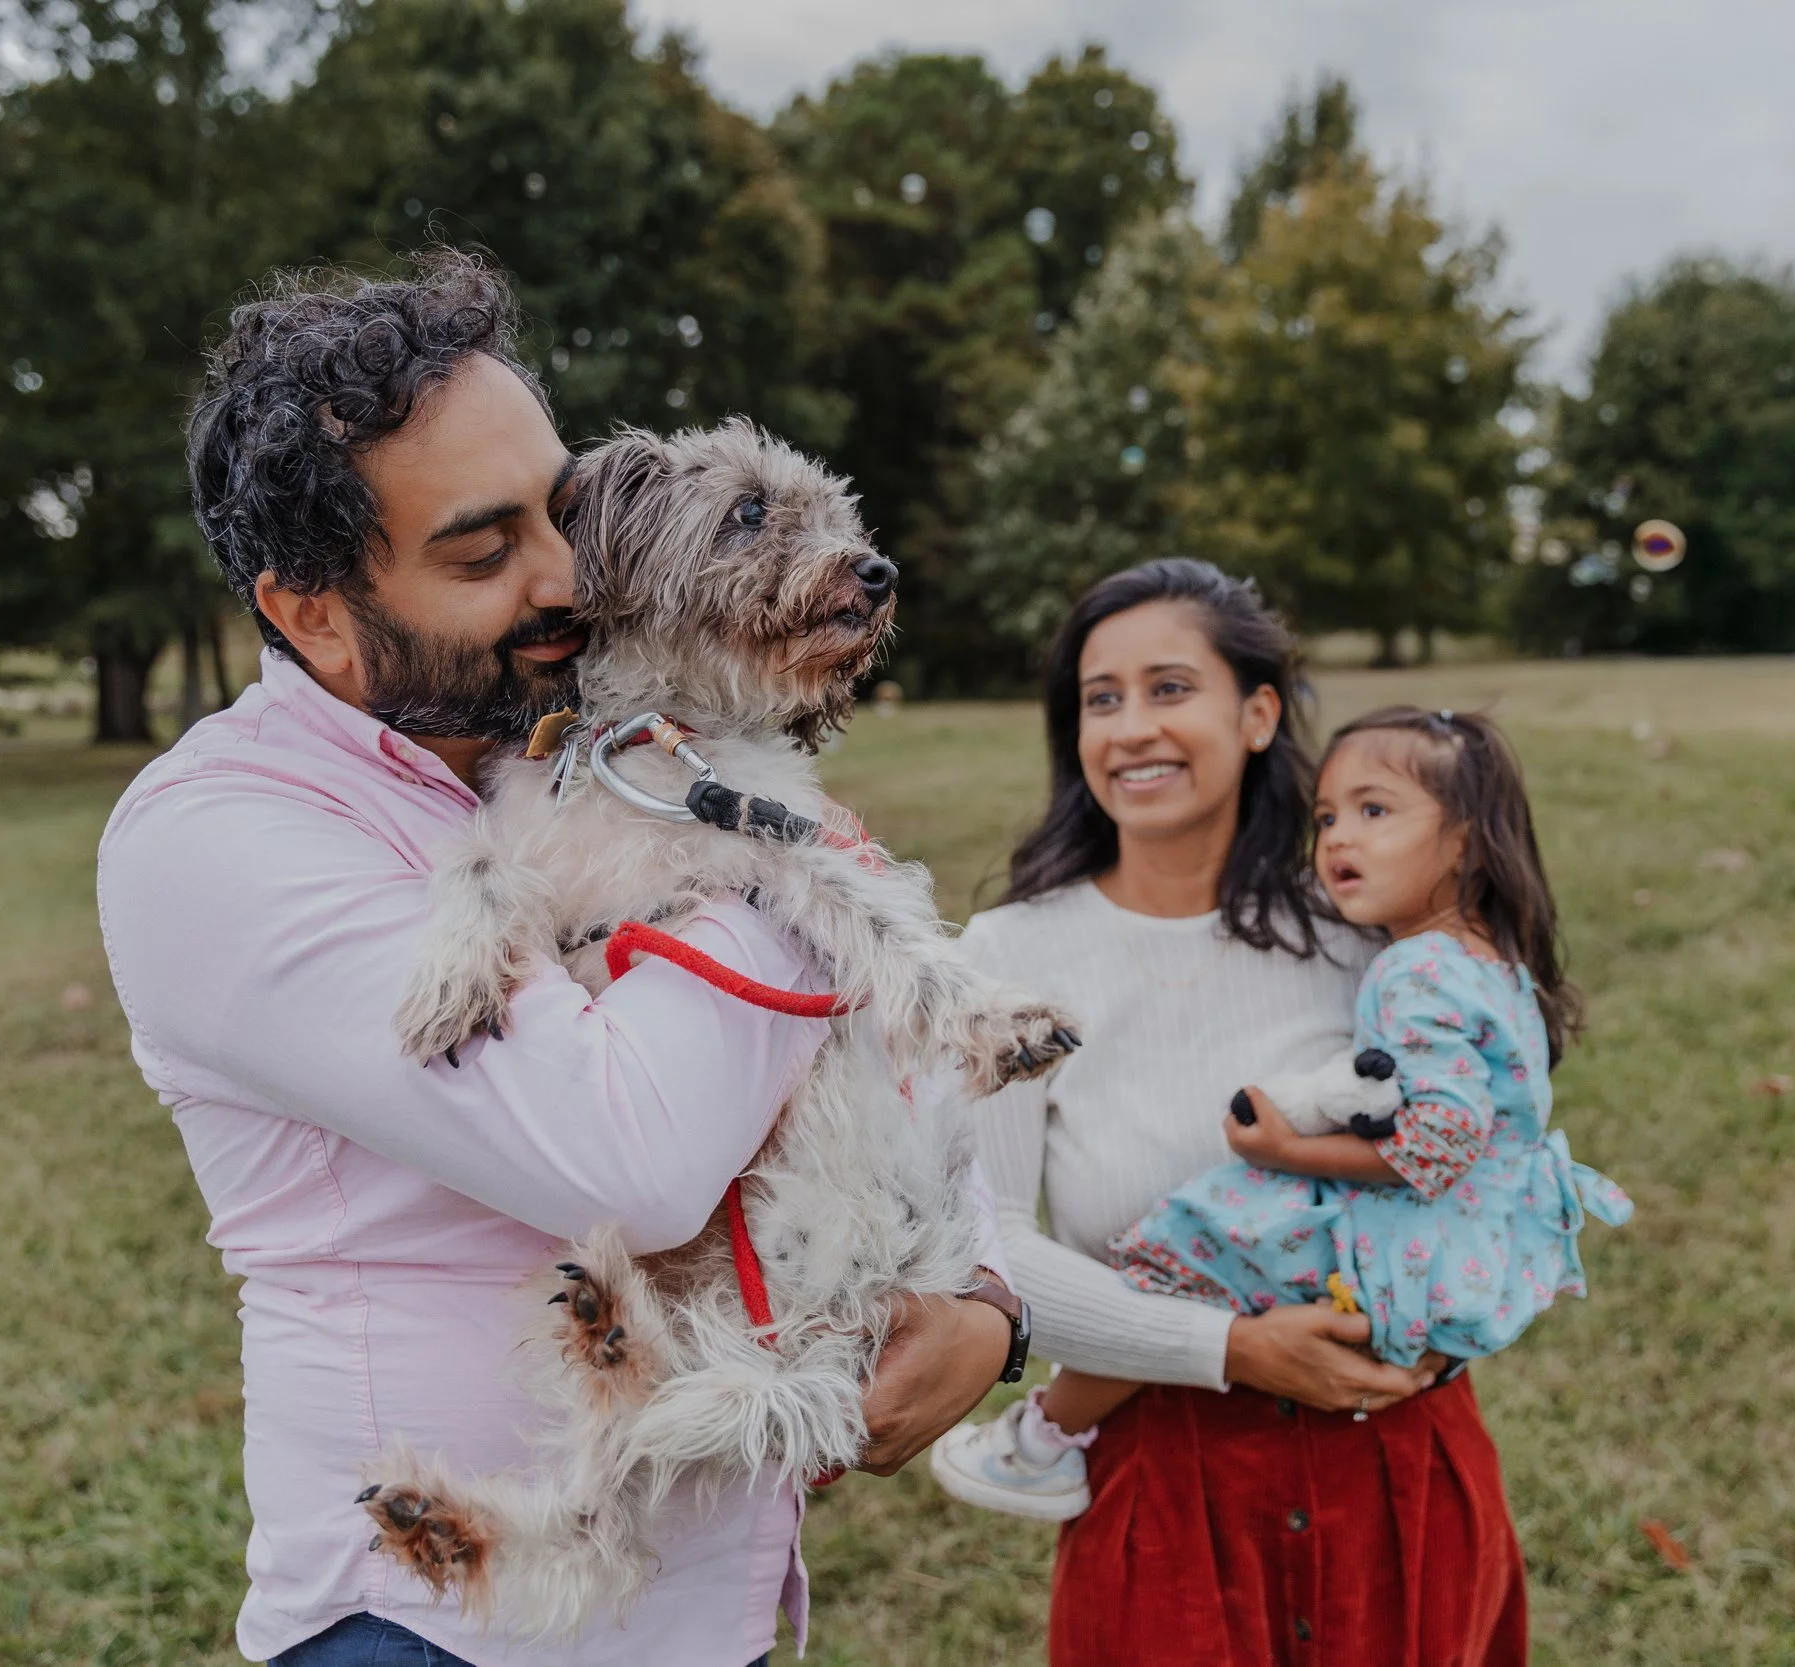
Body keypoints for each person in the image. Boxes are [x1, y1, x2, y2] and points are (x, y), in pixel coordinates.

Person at [97, 251, 1017, 1667]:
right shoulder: (217, 838)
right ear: (312, 610)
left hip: (709, 1607)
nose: (563, 578)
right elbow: (629, 1160)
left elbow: (892, 1076)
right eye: (481, 551)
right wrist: (787, 846)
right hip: (432, 1629)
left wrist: (991, 1307)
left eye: (557, 511)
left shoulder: (594, 743)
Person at [927, 561, 1531, 1666]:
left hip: (1393, 1460)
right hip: (1168, 1480)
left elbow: (1486, 1139)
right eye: (1099, 698)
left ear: (1256, 712)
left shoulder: (1366, 929)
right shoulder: (1008, 960)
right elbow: (986, 1246)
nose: (1129, 728)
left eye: (1168, 687)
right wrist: (1231, 1347)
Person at [945, 703, 1631, 1512]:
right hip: (1479, 1233)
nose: (1338, 837)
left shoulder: (1413, 971)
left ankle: (1043, 1439)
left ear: (1465, 841)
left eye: (1374, 811)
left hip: (1416, 1230)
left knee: (1194, 1256)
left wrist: (1283, 1151)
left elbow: (1440, 1144)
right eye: (1329, 816)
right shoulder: (1490, 962)